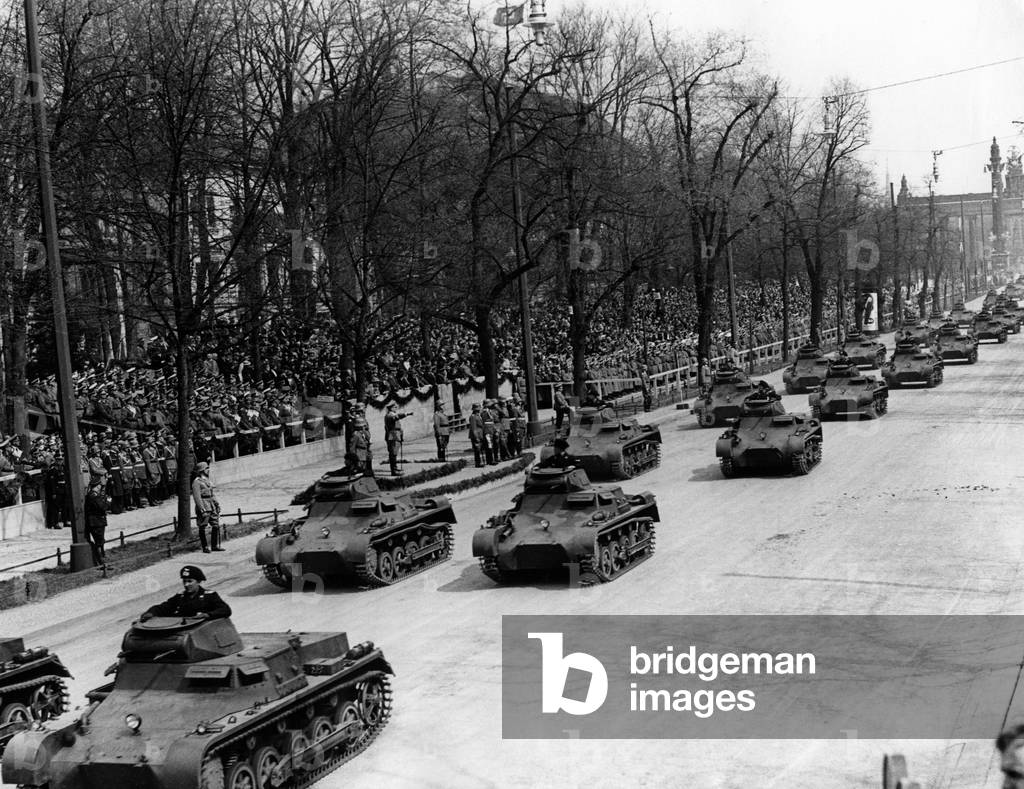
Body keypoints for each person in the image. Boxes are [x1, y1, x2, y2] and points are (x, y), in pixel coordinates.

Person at [139, 565, 232, 621]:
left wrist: (208, 615)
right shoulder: (180, 596)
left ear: (198, 581)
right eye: (184, 581)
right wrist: (151, 612)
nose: (186, 584)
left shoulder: (210, 595)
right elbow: (164, 607)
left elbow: (225, 610)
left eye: (190, 581)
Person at [192, 462, 223, 553]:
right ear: (202, 470)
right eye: (206, 469)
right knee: (203, 526)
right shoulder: (196, 482)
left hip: (211, 505)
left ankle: (214, 546)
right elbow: (197, 497)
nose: (208, 470)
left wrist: (217, 504)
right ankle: (205, 547)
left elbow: (212, 494)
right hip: (204, 506)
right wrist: (202, 510)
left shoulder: (207, 480)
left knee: (215, 525)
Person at [84, 471, 111, 565]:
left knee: (101, 541)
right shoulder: (93, 496)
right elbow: (102, 507)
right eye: (100, 485)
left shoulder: (95, 495)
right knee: (99, 542)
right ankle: (100, 561)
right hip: (96, 522)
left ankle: (102, 558)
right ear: (97, 486)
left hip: (99, 521)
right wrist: (108, 502)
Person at [384, 402, 408, 476]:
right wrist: (406, 414)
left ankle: (395, 467)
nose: (396, 408)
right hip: (393, 434)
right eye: (394, 407)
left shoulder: (392, 414)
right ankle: (393, 470)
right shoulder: (389, 415)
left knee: (395, 451)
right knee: (393, 452)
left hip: (396, 434)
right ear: (390, 408)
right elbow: (396, 418)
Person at [467, 403, 485, 468]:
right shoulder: (473, 417)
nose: (479, 410)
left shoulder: (478, 416)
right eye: (477, 409)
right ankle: (478, 462)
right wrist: (476, 436)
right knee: (477, 449)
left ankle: (481, 461)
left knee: (480, 449)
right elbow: (473, 428)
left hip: (480, 433)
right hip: (476, 434)